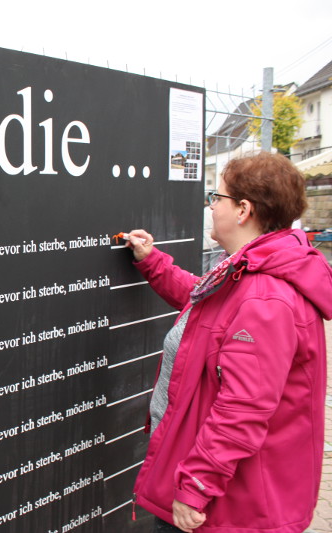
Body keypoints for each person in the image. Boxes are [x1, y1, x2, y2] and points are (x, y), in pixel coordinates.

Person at [124, 152, 332, 533]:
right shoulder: (251, 269)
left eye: (215, 198)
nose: (211, 206)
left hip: (227, 508)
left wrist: (196, 485)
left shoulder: (264, 297)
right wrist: (154, 262)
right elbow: (207, 308)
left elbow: (243, 408)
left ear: (243, 210)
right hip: (224, 493)